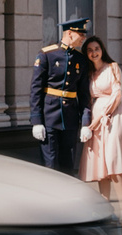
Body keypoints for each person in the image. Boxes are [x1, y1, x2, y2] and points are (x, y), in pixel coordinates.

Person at [80, 32, 122, 223]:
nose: (94, 53)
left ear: (102, 50)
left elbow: (117, 94)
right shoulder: (89, 74)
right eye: (90, 50)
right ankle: (105, 210)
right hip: (96, 119)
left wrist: (100, 119)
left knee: (114, 161)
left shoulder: (113, 67)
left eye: (97, 49)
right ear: (86, 54)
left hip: (113, 117)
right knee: (101, 165)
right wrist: (88, 123)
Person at [27, 15, 91, 175]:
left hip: (70, 119)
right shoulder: (46, 55)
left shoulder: (81, 60)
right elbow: (36, 89)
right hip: (49, 118)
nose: (84, 38)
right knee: (50, 166)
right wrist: (36, 121)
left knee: (68, 166)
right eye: (81, 35)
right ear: (70, 33)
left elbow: (84, 95)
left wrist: (85, 123)